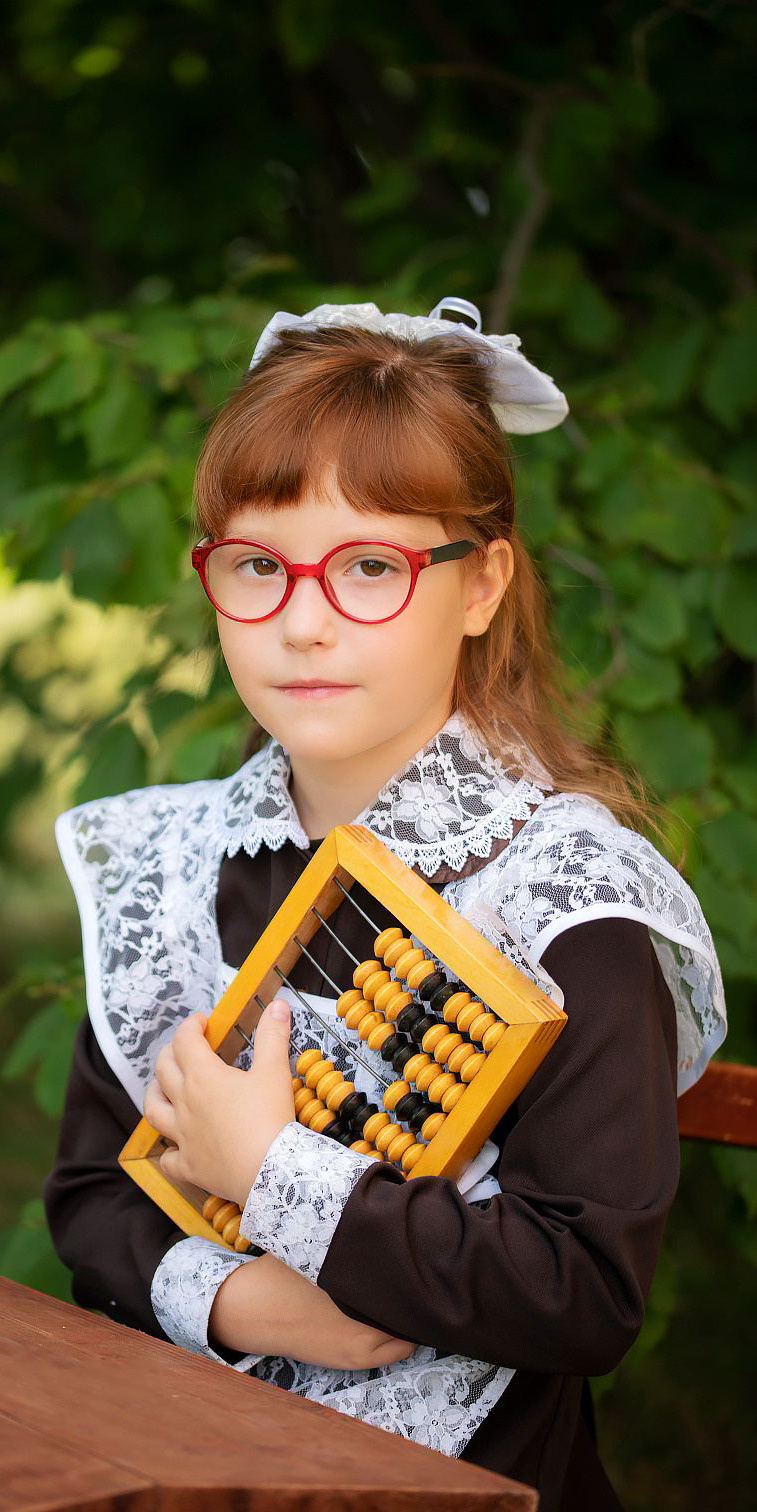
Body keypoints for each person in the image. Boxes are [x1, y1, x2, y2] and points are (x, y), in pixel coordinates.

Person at [44, 299, 725, 1512]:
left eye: (370, 567)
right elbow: (96, 1194)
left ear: (480, 587)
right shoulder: (177, 862)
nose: (302, 622)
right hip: (188, 1463)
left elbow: (583, 1292)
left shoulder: (567, 899)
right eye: (258, 565)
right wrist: (246, 1303)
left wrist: (271, 1172)